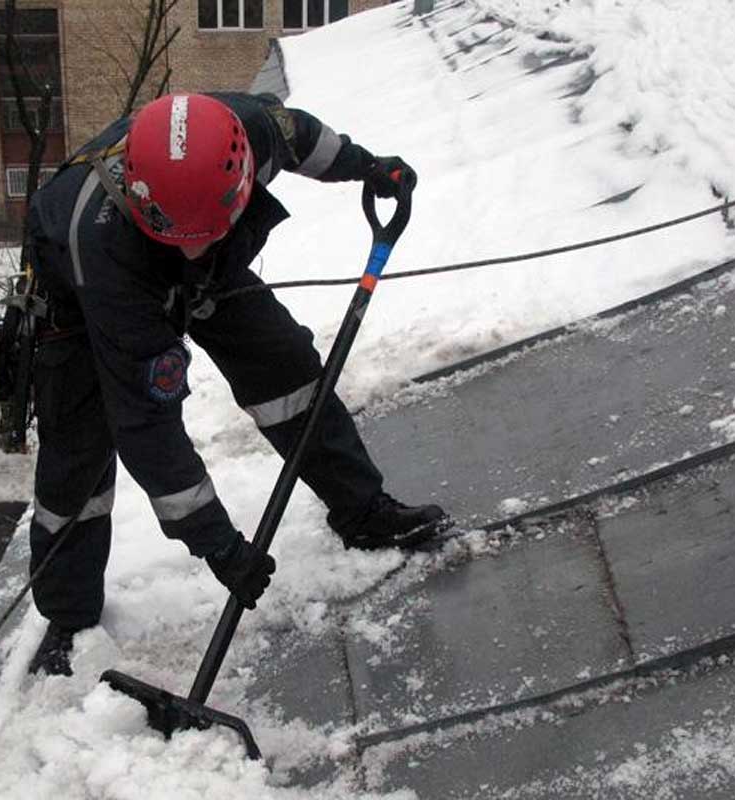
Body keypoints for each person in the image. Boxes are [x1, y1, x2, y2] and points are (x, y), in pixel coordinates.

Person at [24, 92, 447, 676]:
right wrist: (216, 542)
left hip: (201, 267)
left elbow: (307, 139)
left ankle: (364, 511)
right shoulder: (101, 248)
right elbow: (147, 421)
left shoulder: (251, 131)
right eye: (184, 236)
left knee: (286, 370)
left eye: (204, 231)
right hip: (79, 304)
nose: (193, 246)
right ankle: (68, 618)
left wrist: (368, 167)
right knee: (78, 462)